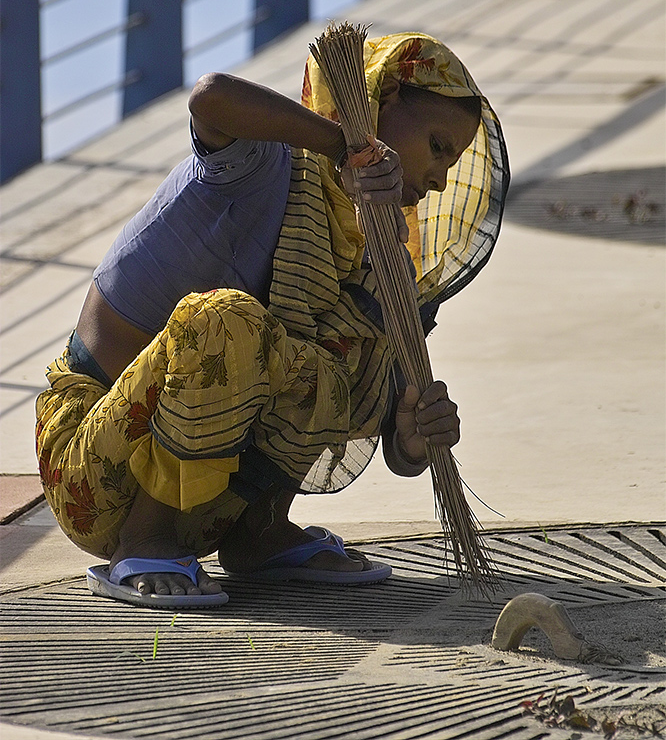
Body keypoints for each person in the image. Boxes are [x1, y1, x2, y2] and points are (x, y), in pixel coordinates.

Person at [35, 31, 509, 607]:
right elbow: (209, 99)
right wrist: (345, 148)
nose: (438, 178)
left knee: (348, 349)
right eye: (436, 146)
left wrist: (414, 437)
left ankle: (258, 533)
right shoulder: (268, 161)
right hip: (93, 471)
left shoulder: (375, 254)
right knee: (226, 323)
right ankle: (144, 540)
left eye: (451, 164)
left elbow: (392, 433)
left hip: (213, 507)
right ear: (383, 104)